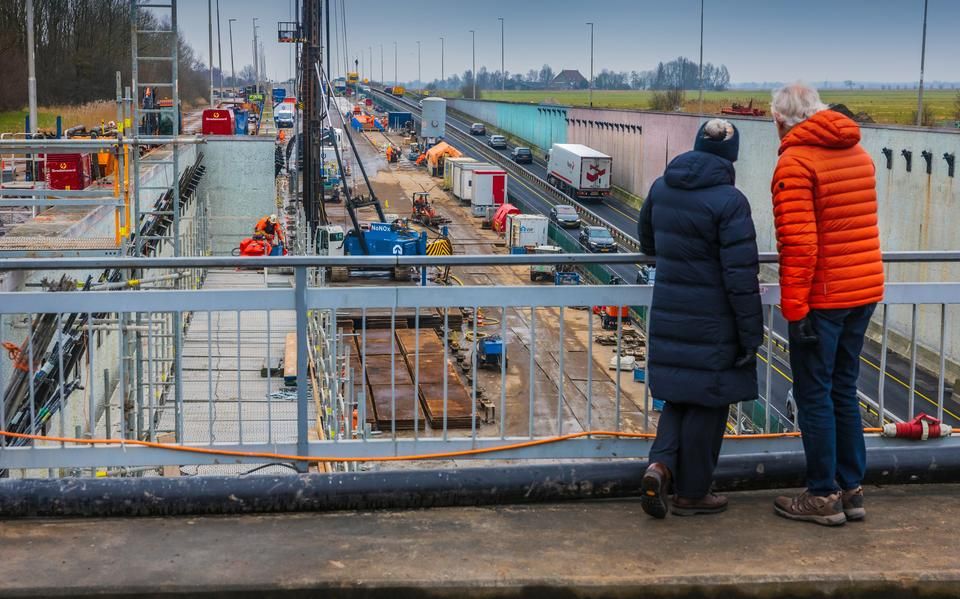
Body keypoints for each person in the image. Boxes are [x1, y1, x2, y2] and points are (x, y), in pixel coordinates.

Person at [769, 83, 884, 526]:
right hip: (864, 290)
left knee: (813, 393)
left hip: (825, 296)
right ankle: (851, 489)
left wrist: (795, 311)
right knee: (843, 389)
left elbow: (799, 245)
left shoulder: (795, 162)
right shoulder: (858, 153)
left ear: (781, 121)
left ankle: (821, 495)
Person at [637, 119, 763, 519]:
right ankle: (692, 493)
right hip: (714, 322)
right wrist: (751, 336)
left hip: (671, 313)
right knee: (709, 405)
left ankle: (659, 467)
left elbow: (647, 242)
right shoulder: (730, 201)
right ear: (731, 157)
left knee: (677, 399)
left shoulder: (662, 187)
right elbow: (741, 278)